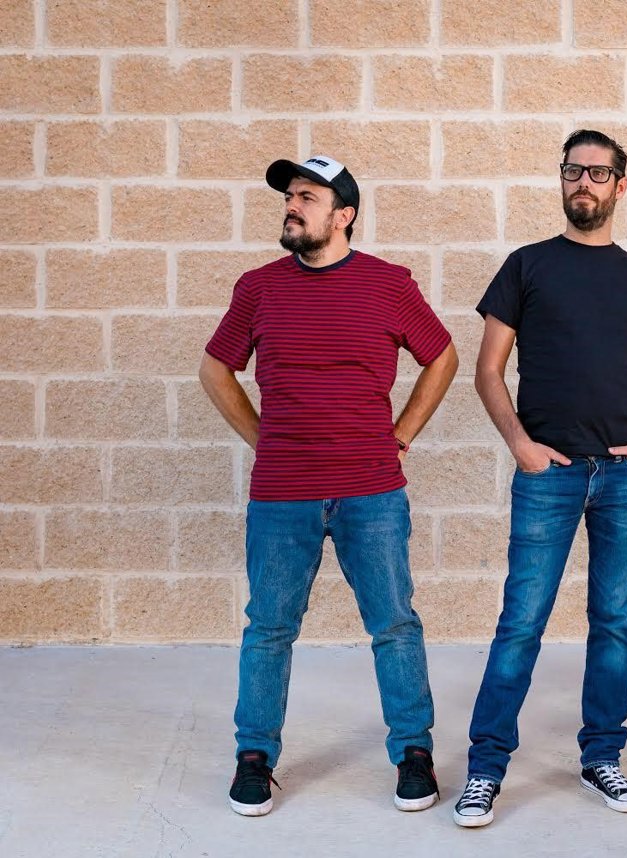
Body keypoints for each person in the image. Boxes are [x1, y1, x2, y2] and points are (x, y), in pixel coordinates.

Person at [199, 155, 458, 817]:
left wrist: (403, 433)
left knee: (394, 624)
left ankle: (413, 753)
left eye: (307, 197)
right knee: (269, 628)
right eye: (290, 195)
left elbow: (442, 355)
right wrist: (262, 438)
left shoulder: (388, 284)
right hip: (281, 494)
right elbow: (215, 369)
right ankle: (254, 758)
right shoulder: (258, 287)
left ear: (343, 215)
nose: (292, 205)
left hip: (372, 491)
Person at [452, 130, 627, 828]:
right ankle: (485, 769)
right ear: (561, 180)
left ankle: (602, 758)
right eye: (573, 171)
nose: (584, 182)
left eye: (598, 173)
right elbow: (487, 370)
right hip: (547, 475)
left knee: (614, 624)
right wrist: (520, 444)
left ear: (621, 186)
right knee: (521, 622)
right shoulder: (526, 266)